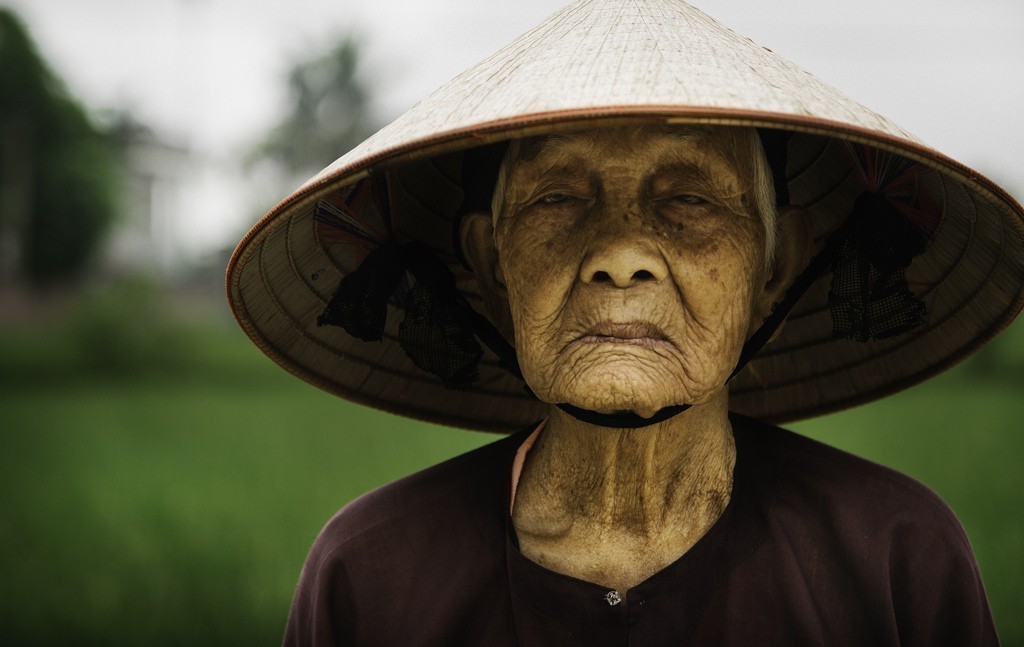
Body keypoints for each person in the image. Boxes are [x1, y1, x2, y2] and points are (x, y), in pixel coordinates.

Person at [226, 0, 1023, 644]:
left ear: (773, 267)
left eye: (689, 199)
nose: (620, 255)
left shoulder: (895, 557)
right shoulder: (371, 575)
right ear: (492, 260)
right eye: (557, 199)